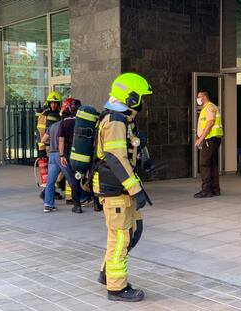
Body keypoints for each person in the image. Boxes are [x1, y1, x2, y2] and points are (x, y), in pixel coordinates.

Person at [92, 73, 152, 302]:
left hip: (121, 188)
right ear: (131, 97)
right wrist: (136, 189)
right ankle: (116, 288)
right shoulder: (115, 120)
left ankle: (106, 272)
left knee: (134, 230)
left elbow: (126, 153)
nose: (143, 103)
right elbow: (116, 158)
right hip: (116, 189)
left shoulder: (122, 119)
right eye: (141, 98)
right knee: (120, 238)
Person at [41, 100, 82, 213]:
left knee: (50, 181)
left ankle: (48, 205)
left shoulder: (52, 126)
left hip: (52, 156)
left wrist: (51, 142)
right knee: (71, 178)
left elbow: (43, 140)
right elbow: (62, 140)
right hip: (61, 155)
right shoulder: (64, 124)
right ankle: (80, 200)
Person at [194, 90, 223, 198]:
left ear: (204, 97)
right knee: (212, 164)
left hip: (209, 139)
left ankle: (206, 190)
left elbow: (210, 122)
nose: (198, 99)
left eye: (199, 97)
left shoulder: (210, 107)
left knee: (204, 164)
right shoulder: (207, 108)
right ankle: (215, 189)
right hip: (212, 139)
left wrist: (201, 138)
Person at [58, 98, 84, 214]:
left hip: (71, 153)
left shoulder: (65, 120)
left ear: (69, 108)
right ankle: (97, 205)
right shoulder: (85, 119)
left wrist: (62, 155)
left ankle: (77, 205)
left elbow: (61, 140)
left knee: (74, 179)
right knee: (91, 177)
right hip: (85, 152)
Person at [37, 91, 64, 200]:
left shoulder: (59, 114)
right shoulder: (45, 115)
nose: (53, 105)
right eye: (52, 103)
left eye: (56, 103)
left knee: (55, 171)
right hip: (49, 147)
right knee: (54, 171)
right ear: (48, 103)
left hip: (56, 146)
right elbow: (40, 132)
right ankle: (46, 192)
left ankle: (50, 191)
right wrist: (41, 149)